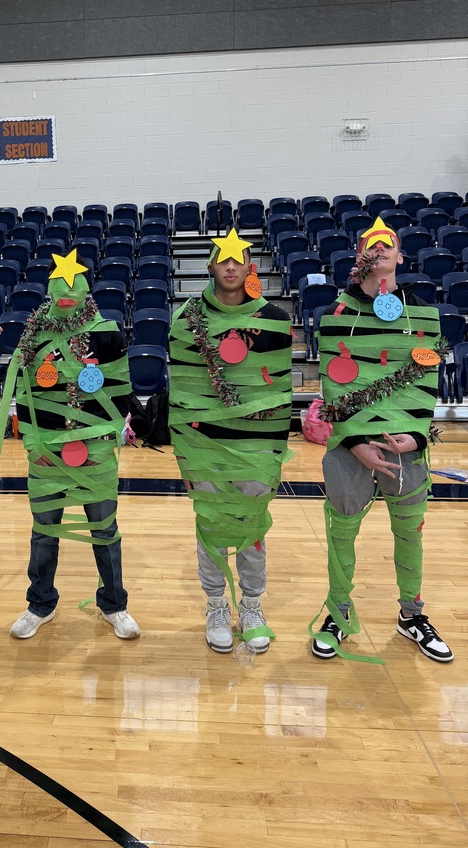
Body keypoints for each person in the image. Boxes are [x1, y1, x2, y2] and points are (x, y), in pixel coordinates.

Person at [311, 217, 453, 663]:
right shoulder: (336, 314)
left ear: (400, 257)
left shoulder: (420, 311)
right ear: (359, 258)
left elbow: (425, 377)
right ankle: (338, 613)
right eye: (370, 245)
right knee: (342, 532)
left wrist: (417, 436)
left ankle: (412, 615)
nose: (379, 250)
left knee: (410, 532)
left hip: (406, 444)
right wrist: (354, 441)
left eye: (387, 244)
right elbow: (331, 382)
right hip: (350, 447)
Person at [168, 229, 293, 654]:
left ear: (250, 267)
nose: (231, 266)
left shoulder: (273, 318)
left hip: (256, 447)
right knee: (211, 526)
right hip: (204, 445)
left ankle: (252, 606)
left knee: (252, 527)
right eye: (223, 259)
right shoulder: (187, 319)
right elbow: (179, 390)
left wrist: (275, 453)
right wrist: (184, 453)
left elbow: (282, 390)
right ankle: (217, 605)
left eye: (238, 259)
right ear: (210, 266)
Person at [8, 249, 140, 640]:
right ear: (49, 289)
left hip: (95, 452)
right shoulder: (34, 334)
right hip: (46, 453)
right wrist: (34, 446)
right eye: (59, 284)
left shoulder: (106, 332)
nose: (67, 292)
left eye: (74, 283)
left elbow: (121, 393)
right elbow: (23, 395)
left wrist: (103, 443)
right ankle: (40, 603)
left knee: (105, 530)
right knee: (43, 532)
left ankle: (114, 605)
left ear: (86, 287)